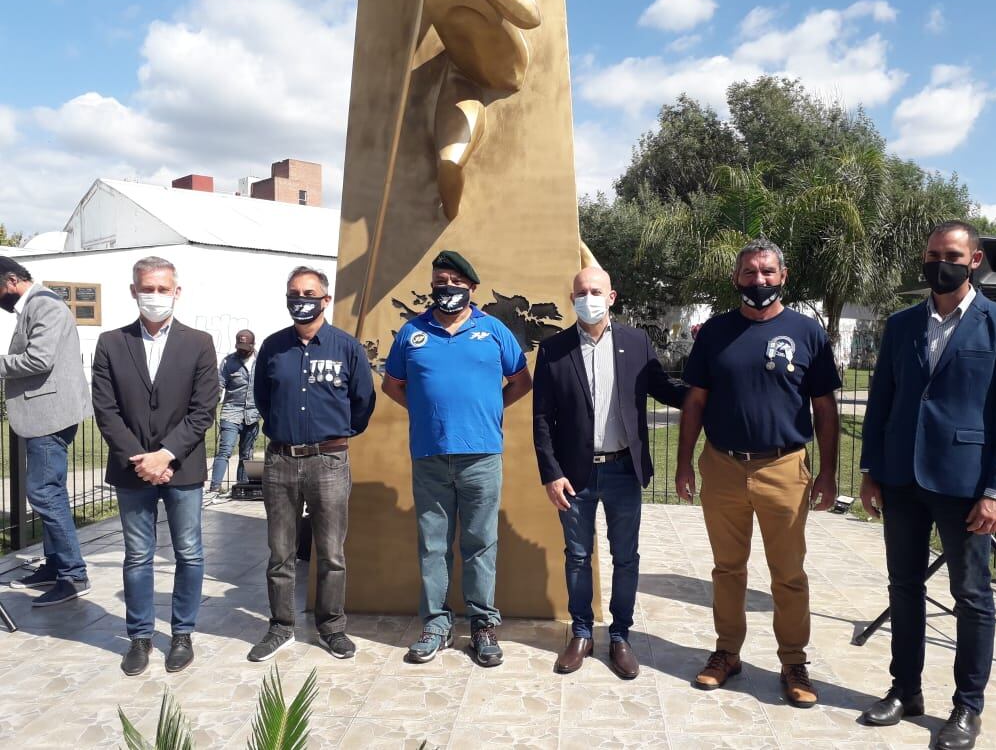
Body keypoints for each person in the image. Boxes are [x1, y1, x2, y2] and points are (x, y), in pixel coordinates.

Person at [859, 221, 996, 750]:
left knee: (972, 596)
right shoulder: (902, 324)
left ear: (974, 259)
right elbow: (881, 402)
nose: (941, 262)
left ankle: (967, 707)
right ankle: (905, 689)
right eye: (933, 254)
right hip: (902, 479)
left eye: (952, 254)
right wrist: (870, 470)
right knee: (904, 587)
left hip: (967, 485)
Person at [675, 239, 841, 708]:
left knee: (787, 574)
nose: (759, 281)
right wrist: (685, 462)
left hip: (784, 466)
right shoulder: (714, 333)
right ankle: (727, 653)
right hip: (723, 465)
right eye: (749, 273)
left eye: (767, 272)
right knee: (728, 569)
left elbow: (825, 409)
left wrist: (827, 474)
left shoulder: (807, 332)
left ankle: (793, 662)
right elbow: (695, 402)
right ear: (736, 278)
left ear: (782, 277)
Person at [532, 266, 688, 678]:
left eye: (596, 291)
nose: (589, 298)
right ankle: (581, 633)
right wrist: (551, 473)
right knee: (578, 557)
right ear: (572, 299)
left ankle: (620, 635)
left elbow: (663, 388)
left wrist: (709, 391)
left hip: (622, 470)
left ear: (612, 297)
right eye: (581, 292)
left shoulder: (635, 342)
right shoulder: (554, 350)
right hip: (573, 476)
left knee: (626, 557)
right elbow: (542, 419)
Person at [382, 250, 532, 667]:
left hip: (482, 457)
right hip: (429, 456)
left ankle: (483, 624)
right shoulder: (412, 332)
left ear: (471, 288)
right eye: (438, 281)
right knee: (433, 545)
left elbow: (521, 381)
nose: (445, 288)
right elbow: (392, 386)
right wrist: (426, 413)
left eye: (453, 282)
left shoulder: (494, 330)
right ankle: (436, 624)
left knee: (481, 543)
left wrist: (492, 410)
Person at [92, 257, 219, 676]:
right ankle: (140, 638)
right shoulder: (111, 343)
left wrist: (165, 455)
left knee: (189, 552)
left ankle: (181, 634)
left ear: (177, 292)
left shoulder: (198, 342)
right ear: (133, 290)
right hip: (133, 470)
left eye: (164, 289)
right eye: (148, 287)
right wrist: (141, 459)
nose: (156, 295)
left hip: (181, 467)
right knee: (138, 555)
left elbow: (204, 409)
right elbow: (106, 410)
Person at [247, 266, 375, 663]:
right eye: (293, 293)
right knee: (280, 552)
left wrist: (334, 436)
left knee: (331, 552)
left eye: (308, 292)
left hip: (329, 462)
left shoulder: (346, 347)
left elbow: (363, 402)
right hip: (281, 461)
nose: (300, 299)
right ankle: (281, 626)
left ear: (325, 299)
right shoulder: (272, 347)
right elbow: (264, 399)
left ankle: (332, 627)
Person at [0, 257, 93, 607]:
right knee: (51, 490)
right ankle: (56, 565)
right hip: (46, 413)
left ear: (11, 280)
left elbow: (39, 360)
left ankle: (73, 574)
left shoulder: (45, 306)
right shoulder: (35, 306)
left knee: (43, 491)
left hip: (50, 416)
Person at [208, 330, 260, 493]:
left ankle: (242, 487)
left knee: (246, 454)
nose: (242, 350)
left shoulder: (262, 361)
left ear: (253, 345)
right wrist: (211, 404)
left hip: (252, 414)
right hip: (231, 413)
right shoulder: (228, 361)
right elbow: (219, 385)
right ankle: (215, 487)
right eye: (239, 346)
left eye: (246, 347)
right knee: (225, 450)